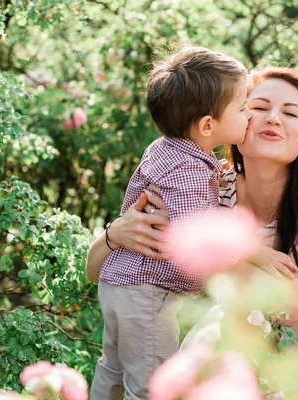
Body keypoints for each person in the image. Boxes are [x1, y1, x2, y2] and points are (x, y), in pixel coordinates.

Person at [87, 66, 298, 361]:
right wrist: (116, 233)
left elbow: (291, 307)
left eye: (289, 113)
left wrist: (213, 253)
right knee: (198, 348)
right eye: (257, 107)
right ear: (228, 121)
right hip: (246, 319)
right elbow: (95, 272)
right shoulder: (201, 187)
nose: (273, 118)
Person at [87, 46, 252, 400]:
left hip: (120, 284)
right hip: (148, 293)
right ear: (208, 125)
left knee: (114, 367)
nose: (249, 115)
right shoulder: (190, 171)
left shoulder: (168, 150)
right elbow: (194, 237)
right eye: (242, 108)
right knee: (151, 385)